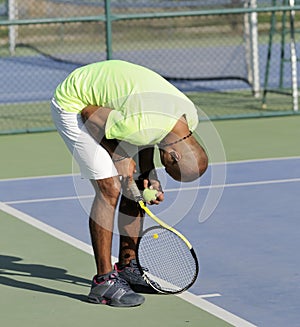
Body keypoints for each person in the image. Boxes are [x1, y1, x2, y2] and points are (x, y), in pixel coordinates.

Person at [51, 60, 208, 307]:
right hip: (74, 102)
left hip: (122, 109)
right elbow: (90, 115)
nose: (164, 165)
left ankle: (128, 267)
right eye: (169, 167)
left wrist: (149, 172)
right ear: (175, 155)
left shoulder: (188, 119)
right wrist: (120, 156)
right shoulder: (142, 124)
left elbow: (149, 136)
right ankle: (103, 282)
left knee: (137, 183)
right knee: (110, 189)